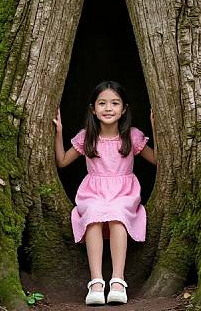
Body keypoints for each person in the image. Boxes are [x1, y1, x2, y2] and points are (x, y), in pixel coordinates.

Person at [54, 80, 157, 305]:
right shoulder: (86, 136)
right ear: (93, 109)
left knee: (118, 216)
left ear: (124, 109)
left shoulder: (132, 135)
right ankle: (97, 282)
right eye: (102, 103)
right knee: (93, 217)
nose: (108, 108)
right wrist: (59, 132)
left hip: (124, 193)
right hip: (93, 192)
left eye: (114, 103)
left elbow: (157, 159)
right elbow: (62, 162)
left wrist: (156, 128)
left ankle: (118, 281)